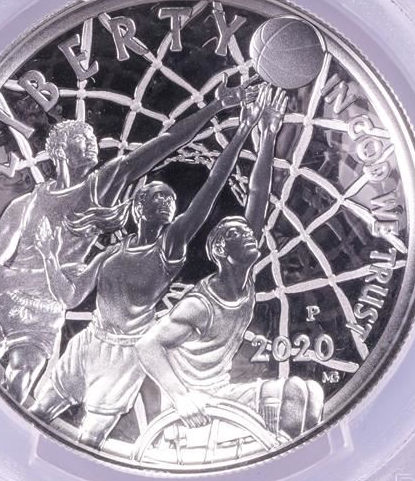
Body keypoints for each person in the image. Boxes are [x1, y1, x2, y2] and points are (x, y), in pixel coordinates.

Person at [0, 78, 259, 404]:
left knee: (14, 398)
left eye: (92, 138)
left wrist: (217, 106)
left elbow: (167, 141)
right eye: (83, 139)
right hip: (2, 305)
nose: (92, 143)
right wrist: (41, 274)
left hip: (46, 315)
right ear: (60, 150)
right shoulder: (25, 205)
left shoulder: (102, 186)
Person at [27, 88, 269, 447]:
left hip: (125, 354)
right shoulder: (112, 252)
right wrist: (49, 258)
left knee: (88, 442)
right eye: (159, 196)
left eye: (171, 199)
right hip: (90, 340)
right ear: (139, 207)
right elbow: (71, 296)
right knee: (34, 415)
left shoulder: (168, 247)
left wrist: (243, 130)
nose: (168, 202)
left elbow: (212, 186)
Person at [136, 88, 324, 440]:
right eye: (238, 234)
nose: (250, 235)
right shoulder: (200, 304)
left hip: (222, 393)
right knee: (292, 408)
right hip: (191, 408)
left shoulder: (243, 280)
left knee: (306, 395)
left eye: (248, 232)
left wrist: (268, 135)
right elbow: (146, 346)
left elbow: (257, 195)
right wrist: (181, 397)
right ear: (221, 251)